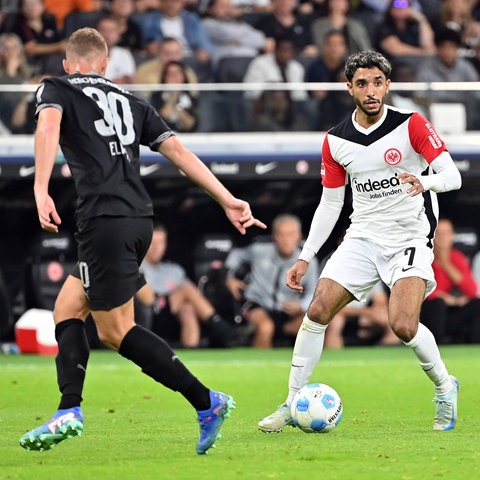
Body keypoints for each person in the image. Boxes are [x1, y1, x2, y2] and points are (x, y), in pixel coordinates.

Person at [18, 26, 266, 455]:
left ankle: (206, 401)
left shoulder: (55, 87)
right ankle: (68, 407)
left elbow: (48, 128)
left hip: (104, 219)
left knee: (116, 332)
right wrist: (228, 199)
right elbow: (180, 153)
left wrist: (40, 188)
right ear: (106, 62)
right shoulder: (132, 101)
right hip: (137, 219)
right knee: (67, 308)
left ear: (67, 63)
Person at [258, 50, 461, 434]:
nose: (371, 90)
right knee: (316, 310)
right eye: (362, 83)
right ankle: (292, 401)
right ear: (349, 87)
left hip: (410, 236)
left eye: (378, 82)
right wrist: (305, 256)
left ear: (388, 85)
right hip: (363, 236)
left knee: (402, 324)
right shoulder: (335, 141)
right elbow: (331, 202)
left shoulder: (412, 124)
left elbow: (453, 175)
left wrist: (426, 181)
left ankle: (445, 386)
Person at [136, 223, 246, 347]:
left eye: (161, 242)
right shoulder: (136, 266)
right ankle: (222, 328)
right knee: (186, 289)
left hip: (170, 319)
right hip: (148, 316)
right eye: (153, 242)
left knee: (188, 307)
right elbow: (148, 299)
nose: (157, 248)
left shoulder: (173, 269)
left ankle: (191, 350)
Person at [224, 214, 318, 348]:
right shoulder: (259, 251)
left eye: (290, 234)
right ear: (274, 237)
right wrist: (230, 277)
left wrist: (301, 306)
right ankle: (258, 367)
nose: (286, 240)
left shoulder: (308, 261)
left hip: (288, 310)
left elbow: (314, 292)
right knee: (266, 327)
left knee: (316, 326)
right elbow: (236, 254)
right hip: (257, 303)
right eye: (281, 235)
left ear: (299, 237)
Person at [421, 218, 480, 344]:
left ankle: (474, 346)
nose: (443, 237)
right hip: (428, 310)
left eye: (447, 233)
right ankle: (436, 346)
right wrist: (442, 296)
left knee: (476, 304)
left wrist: (446, 264)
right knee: (438, 304)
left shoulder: (457, 257)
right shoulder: (425, 258)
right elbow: (422, 290)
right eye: (439, 233)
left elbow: (472, 291)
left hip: (452, 309)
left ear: (452, 236)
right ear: (433, 236)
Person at [201, 0, 272, 69]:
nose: (228, 10)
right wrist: (246, 36)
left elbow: (260, 38)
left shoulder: (239, 24)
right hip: (227, 64)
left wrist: (238, 40)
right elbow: (226, 34)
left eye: (229, 6)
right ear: (210, 9)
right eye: (222, 6)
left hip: (251, 61)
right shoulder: (207, 24)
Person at [150, 60, 198, 132]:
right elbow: (162, 121)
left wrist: (177, 102)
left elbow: (190, 125)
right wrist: (172, 96)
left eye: (177, 73)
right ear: (165, 78)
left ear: (184, 77)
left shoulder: (192, 99)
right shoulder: (156, 97)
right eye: (170, 74)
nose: (174, 77)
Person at [96, 15, 136, 84]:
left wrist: (127, 80)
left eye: (111, 30)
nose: (106, 34)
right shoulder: (87, 55)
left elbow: (132, 83)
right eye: (103, 30)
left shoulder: (125, 55)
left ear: (118, 34)